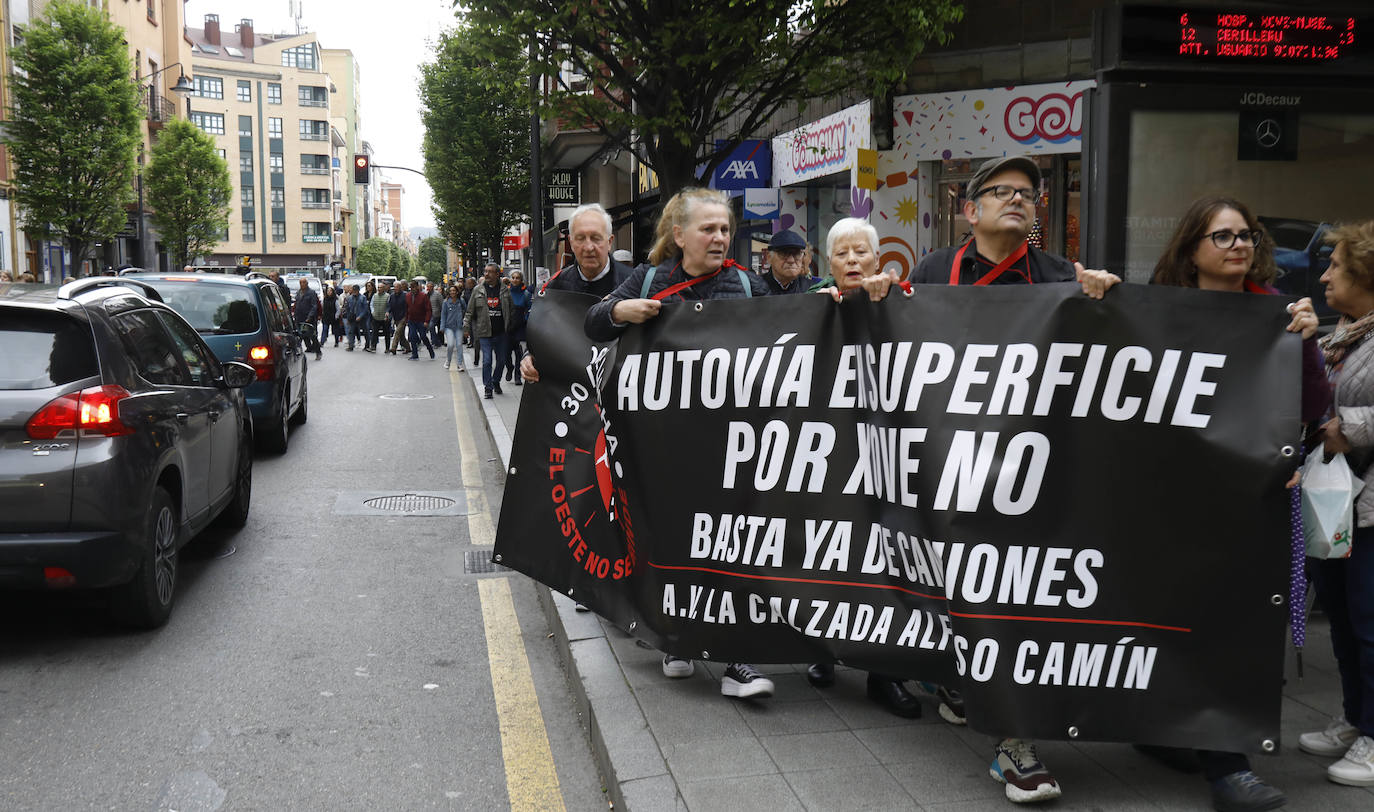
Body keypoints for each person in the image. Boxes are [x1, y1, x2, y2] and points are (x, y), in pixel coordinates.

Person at [862, 155, 1120, 805]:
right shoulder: (933, 272)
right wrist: (876, 301)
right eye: (1001, 192)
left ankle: (1014, 745)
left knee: (1013, 596)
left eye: (1028, 195)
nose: (1018, 201)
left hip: (1031, 474)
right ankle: (961, 682)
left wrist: (1109, 304)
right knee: (956, 587)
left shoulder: (1063, 277)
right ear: (968, 210)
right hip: (950, 472)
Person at [1149, 195, 1327, 812]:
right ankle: (1164, 731)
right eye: (1222, 237)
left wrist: (1304, 344)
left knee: (1235, 624)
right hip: (1172, 499)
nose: (1239, 245)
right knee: (1168, 618)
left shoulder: (1276, 314)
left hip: (1249, 499)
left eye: (1245, 234)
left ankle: (1230, 762)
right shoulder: (1161, 314)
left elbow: (1313, 408)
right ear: (1190, 249)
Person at [584, 187, 776, 701]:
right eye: (708, 228)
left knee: (733, 547)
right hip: (664, 450)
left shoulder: (747, 285)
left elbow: (798, 331)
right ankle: (677, 639)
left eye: (725, 229)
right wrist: (622, 312)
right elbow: (594, 321)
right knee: (674, 544)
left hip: (732, 450)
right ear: (679, 235)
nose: (719, 238)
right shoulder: (647, 280)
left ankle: (739, 658)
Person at [1303, 219, 1374, 790]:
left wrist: (1341, 425)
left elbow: (1344, 417)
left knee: (1370, 620)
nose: (1325, 274)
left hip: (1370, 506)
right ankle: (1355, 718)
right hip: (1338, 503)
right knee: (1345, 620)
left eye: (1338, 267)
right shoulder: (1346, 333)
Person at [520, 202, 635, 384]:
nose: (588, 247)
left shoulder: (635, 284)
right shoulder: (554, 288)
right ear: (571, 243)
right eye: (581, 238)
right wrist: (528, 357)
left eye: (596, 238)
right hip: (574, 399)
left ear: (609, 242)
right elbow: (539, 339)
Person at [465, 263, 514, 398]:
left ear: (497, 274)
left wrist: (510, 327)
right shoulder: (477, 290)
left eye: (490, 272)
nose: (486, 274)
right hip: (484, 332)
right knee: (486, 361)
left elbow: (511, 309)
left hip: (501, 333)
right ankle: (488, 387)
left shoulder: (505, 290)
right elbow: (469, 311)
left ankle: (496, 381)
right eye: (485, 271)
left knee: (501, 361)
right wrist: (466, 327)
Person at [761, 229, 815, 294]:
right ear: (769, 257)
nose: (791, 260)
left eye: (797, 253)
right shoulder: (755, 290)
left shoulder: (812, 290)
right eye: (784, 253)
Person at [503, 270, 531, 385]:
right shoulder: (505, 292)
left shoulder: (526, 294)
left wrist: (525, 320)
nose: (515, 280)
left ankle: (517, 376)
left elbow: (530, 309)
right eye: (513, 277)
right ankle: (509, 367)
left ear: (521, 280)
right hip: (507, 326)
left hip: (520, 326)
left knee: (519, 352)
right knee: (506, 353)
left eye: (517, 278)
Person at [405, 278, 437, 361]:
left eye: (414, 287)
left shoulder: (423, 296)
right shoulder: (408, 296)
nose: (412, 289)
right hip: (411, 320)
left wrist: (427, 321)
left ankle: (430, 350)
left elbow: (428, 309)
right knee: (412, 336)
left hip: (421, 320)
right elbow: (407, 308)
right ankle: (414, 354)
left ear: (417, 287)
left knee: (423, 336)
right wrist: (406, 319)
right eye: (411, 287)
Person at [292, 277, 323, 361]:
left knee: (312, 336)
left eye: (303, 283)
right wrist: (294, 314)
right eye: (300, 283)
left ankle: (318, 351)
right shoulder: (298, 292)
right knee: (299, 336)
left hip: (309, 319)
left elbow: (314, 306)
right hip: (299, 318)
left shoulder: (311, 293)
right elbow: (296, 304)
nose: (302, 284)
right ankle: (298, 354)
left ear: (306, 283)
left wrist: (310, 316)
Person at [440, 284, 467, 371]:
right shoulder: (445, 302)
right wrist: (442, 327)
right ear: (449, 292)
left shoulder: (461, 301)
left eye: (454, 291)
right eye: (451, 291)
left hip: (459, 326)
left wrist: (465, 322)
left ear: (457, 292)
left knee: (459, 345)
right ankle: (448, 361)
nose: (452, 292)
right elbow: (443, 315)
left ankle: (459, 364)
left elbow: (466, 311)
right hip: (449, 327)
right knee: (450, 345)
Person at [387, 280, 412, 355]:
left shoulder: (405, 295)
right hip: (396, 317)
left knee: (397, 332)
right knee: (401, 336)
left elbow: (409, 306)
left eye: (397, 287)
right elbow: (390, 306)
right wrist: (387, 312)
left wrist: (408, 316)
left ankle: (393, 348)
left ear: (401, 288)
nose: (395, 289)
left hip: (404, 317)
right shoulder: (392, 296)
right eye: (394, 287)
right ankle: (408, 348)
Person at [368, 280, 391, 353]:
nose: (379, 289)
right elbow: (371, 304)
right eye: (378, 287)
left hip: (384, 318)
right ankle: (373, 347)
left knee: (386, 333)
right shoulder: (374, 296)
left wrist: (387, 313)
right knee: (374, 333)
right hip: (376, 317)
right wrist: (373, 312)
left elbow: (389, 306)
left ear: (384, 288)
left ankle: (387, 348)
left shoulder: (387, 296)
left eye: (380, 287)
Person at [343, 284, 368, 351]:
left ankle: (367, 345)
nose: (354, 292)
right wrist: (348, 318)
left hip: (361, 317)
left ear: (358, 290)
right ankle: (351, 345)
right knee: (351, 331)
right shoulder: (349, 298)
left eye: (356, 290)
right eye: (354, 290)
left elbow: (365, 309)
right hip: (352, 316)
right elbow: (347, 309)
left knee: (365, 331)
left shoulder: (363, 297)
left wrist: (360, 316)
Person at [429, 282, 445, 347]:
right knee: (430, 328)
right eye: (428, 287)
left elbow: (442, 305)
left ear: (432, 287)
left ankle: (437, 341)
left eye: (430, 287)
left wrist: (442, 314)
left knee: (431, 326)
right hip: (429, 314)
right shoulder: (427, 295)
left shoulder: (438, 294)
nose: (428, 288)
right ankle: (435, 341)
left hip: (436, 314)